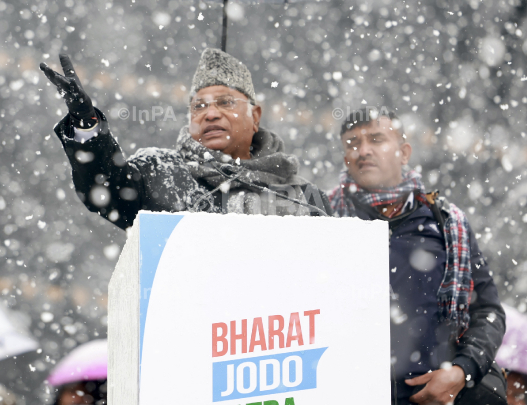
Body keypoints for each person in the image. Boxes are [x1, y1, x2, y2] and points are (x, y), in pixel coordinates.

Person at [328, 108, 506, 405]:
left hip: (438, 395)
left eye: (376, 139)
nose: (363, 150)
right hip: (351, 391)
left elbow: (488, 311)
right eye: (352, 143)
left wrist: (462, 371)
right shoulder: (322, 219)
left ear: (404, 152)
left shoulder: (447, 223)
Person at [39, 49, 331, 229]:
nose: (210, 114)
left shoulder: (307, 200)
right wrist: (86, 122)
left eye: (225, 102)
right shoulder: (159, 171)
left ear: (255, 116)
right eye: (198, 106)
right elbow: (104, 187)